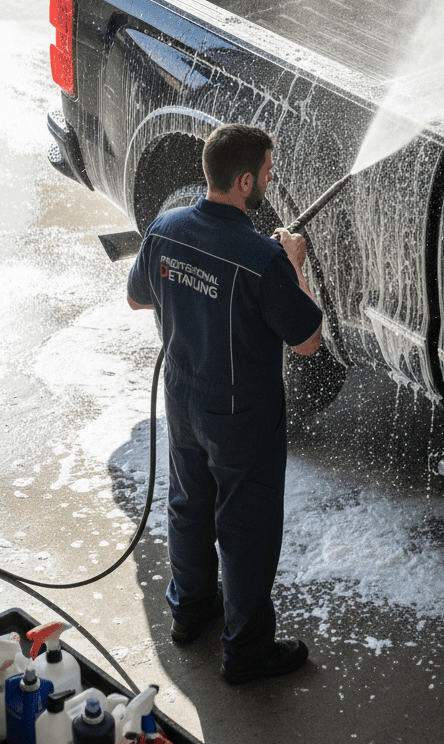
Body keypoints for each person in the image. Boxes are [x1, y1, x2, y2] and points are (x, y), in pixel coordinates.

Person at [126, 123, 322, 685]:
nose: (270, 179)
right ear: (242, 182)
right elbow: (307, 341)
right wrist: (295, 264)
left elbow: (139, 298)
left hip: (184, 398)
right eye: (265, 173)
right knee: (246, 529)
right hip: (242, 417)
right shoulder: (263, 260)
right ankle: (247, 651)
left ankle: (189, 614)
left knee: (188, 505)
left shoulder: (165, 229)